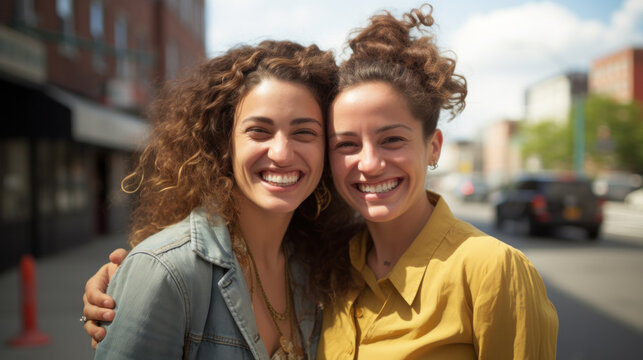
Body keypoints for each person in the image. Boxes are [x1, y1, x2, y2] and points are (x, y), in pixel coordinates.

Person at [84, 5, 558, 359]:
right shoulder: (333, 267)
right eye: (347, 143)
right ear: (222, 144)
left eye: (391, 139)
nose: (369, 164)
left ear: (433, 147)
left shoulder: (489, 270)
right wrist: (134, 282)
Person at [86, 39, 360, 359]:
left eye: (304, 132)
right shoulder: (165, 271)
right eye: (259, 131)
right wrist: (137, 278)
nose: (283, 153)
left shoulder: (321, 267)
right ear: (224, 143)